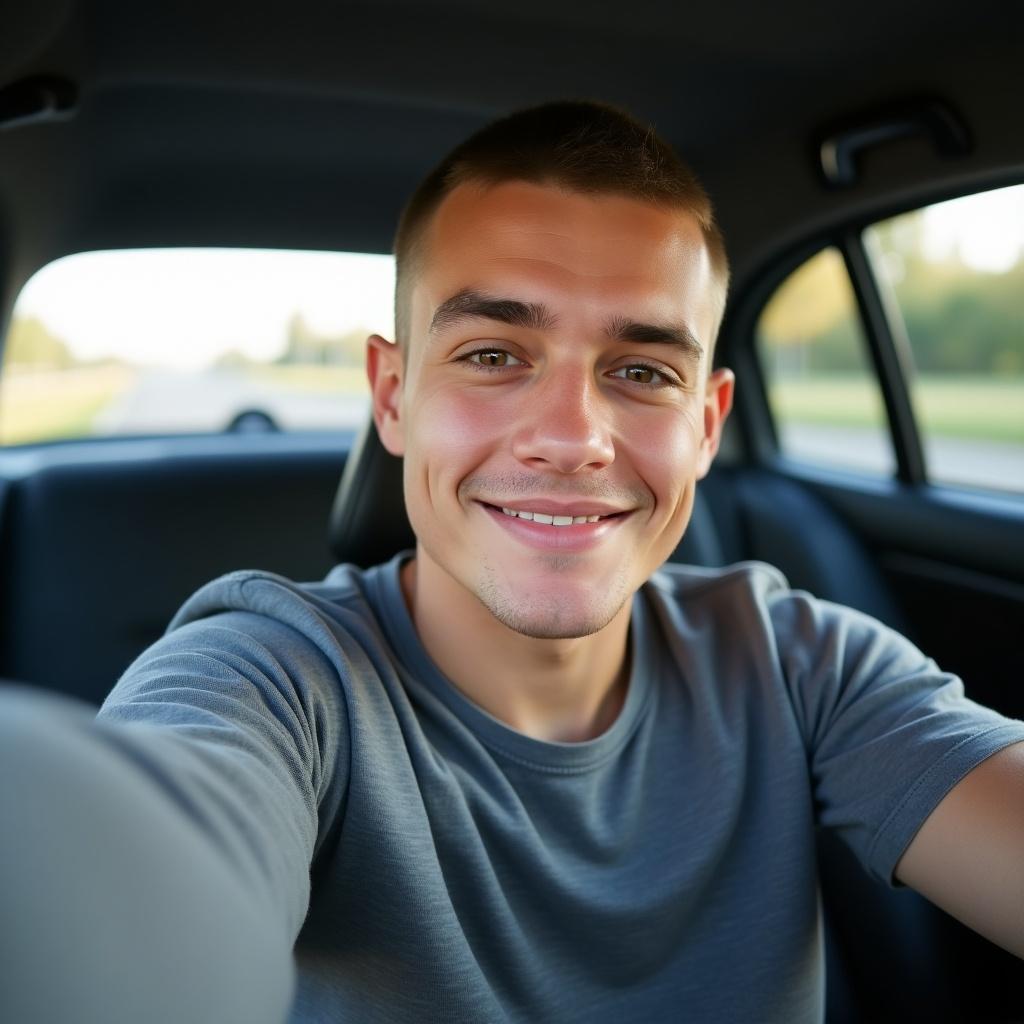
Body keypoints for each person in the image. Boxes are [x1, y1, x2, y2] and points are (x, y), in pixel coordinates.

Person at [1, 101, 1022, 1024]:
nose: (571, 436)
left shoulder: (799, 661)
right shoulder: (270, 679)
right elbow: (149, 891)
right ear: (392, 395)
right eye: (493, 355)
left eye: (639, 371)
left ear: (706, 425)